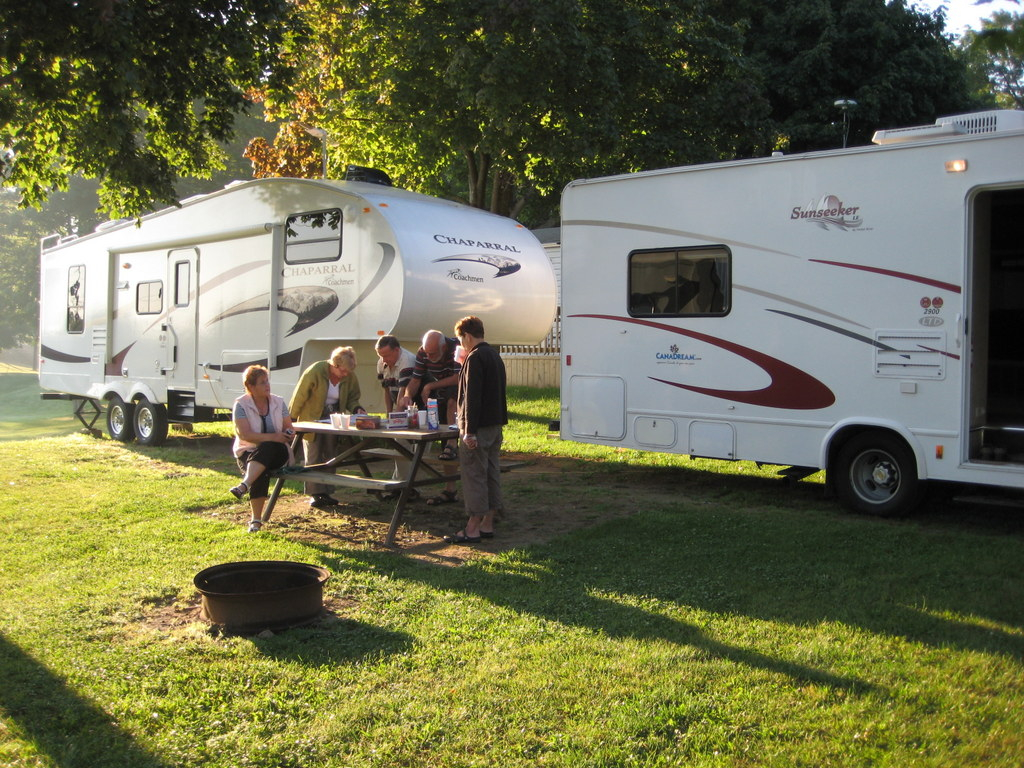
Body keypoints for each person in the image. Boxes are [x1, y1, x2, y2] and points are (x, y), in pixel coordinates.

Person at [444, 316, 507, 544]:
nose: (461, 344)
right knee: (491, 472)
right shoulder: (494, 356)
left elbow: (471, 397)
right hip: (495, 425)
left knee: (474, 475)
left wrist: (468, 431)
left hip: (478, 427)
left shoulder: (475, 357)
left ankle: (472, 527)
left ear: (467, 336)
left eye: (461, 340)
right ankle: (487, 523)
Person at [288, 346, 365, 509]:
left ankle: (327, 491)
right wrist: (292, 419)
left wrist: (357, 409)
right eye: (343, 371)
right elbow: (299, 395)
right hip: (312, 418)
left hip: (334, 419)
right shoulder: (316, 371)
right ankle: (315, 494)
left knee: (331, 454)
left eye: (348, 372)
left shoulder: (349, 376)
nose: (346, 374)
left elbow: (352, 398)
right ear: (335, 365)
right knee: (313, 454)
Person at [399, 329, 462, 504]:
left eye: (433, 353)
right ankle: (450, 489)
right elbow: (416, 379)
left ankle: (452, 441)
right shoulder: (423, 352)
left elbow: (458, 378)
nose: (429, 356)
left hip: (459, 390)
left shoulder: (457, 348)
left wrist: (430, 386)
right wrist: (407, 395)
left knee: (451, 400)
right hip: (440, 392)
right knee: (444, 447)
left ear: (443, 346)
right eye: (427, 352)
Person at [230, 365, 295, 533]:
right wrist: (273, 437)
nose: (267, 385)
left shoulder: (278, 401)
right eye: (262, 383)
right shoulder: (241, 405)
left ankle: (244, 485)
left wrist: (288, 433)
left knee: (268, 450)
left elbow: (289, 426)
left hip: (278, 452)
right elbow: (245, 435)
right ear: (251, 387)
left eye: (267, 381)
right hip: (249, 452)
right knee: (261, 470)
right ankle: (256, 521)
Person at [375, 335, 417, 413]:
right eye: (381, 356)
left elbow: (403, 391)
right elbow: (387, 390)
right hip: (399, 401)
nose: (383, 360)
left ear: (396, 350)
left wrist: (397, 417)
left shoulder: (407, 361)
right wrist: (388, 413)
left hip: (415, 406)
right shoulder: (381, 363)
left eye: (386, 356)